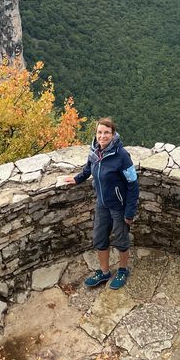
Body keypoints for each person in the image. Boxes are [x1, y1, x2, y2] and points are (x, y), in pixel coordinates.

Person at [63, 118, 139, 289]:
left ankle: (122, 270)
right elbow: (88, 169)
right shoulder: (94, 152)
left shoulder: (122, 156)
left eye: (106, 132)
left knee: (121, 240)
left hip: (119, 206)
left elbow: (133, 184)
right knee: (99, 238)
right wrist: (76, 179)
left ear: (113, 135)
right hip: (102, 203)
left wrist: (129, 212)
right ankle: (104, 273)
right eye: (99, 132)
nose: (102, 136)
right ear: (96, 133)